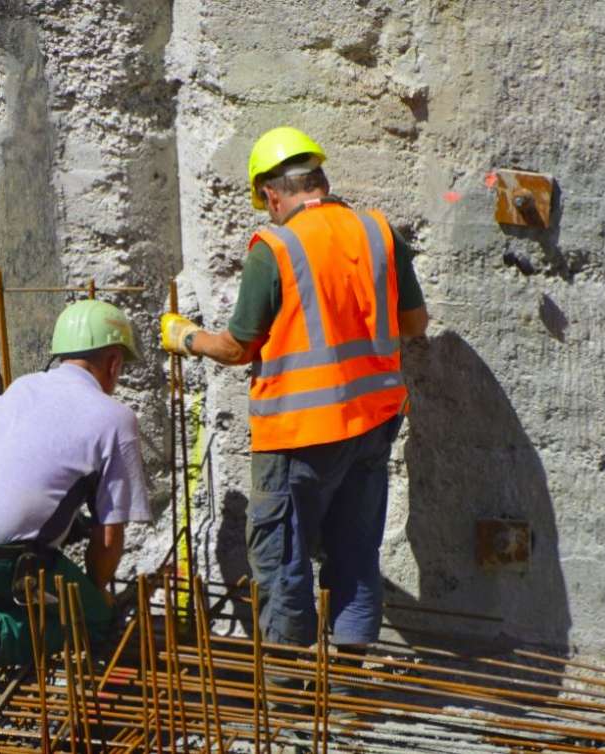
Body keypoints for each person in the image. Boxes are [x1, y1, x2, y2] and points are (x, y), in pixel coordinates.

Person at [160, 126, 428, 660]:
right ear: (319, 181)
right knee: (355, 548)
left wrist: (185, 337)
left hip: (299, 433)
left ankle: (288, 684)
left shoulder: (275, 247)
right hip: (373, 423)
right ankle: (348, 674)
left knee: (281, 553)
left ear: (272, 194)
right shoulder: (377, 231)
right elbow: (415, 323)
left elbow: (238, 347)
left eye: (265, 203)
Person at [0, 299, 151, 684]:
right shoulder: (115, 419)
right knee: (93, 620)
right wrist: (94, 595)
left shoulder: (24, 385)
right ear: (113, 362)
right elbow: (108, 538)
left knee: (28, 560)